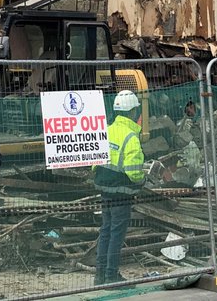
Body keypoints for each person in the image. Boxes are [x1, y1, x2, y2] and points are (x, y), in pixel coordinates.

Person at [94, 89, 146, 286]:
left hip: (104, 190)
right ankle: (111, 275)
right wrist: (142, 180)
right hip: (122, 194)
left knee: (105, 231)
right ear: (133, 112)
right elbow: (133, 172)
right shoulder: (131, 137)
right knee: (116, 234)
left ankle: (99, 276)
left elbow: (95, 162)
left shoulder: (107, 130)